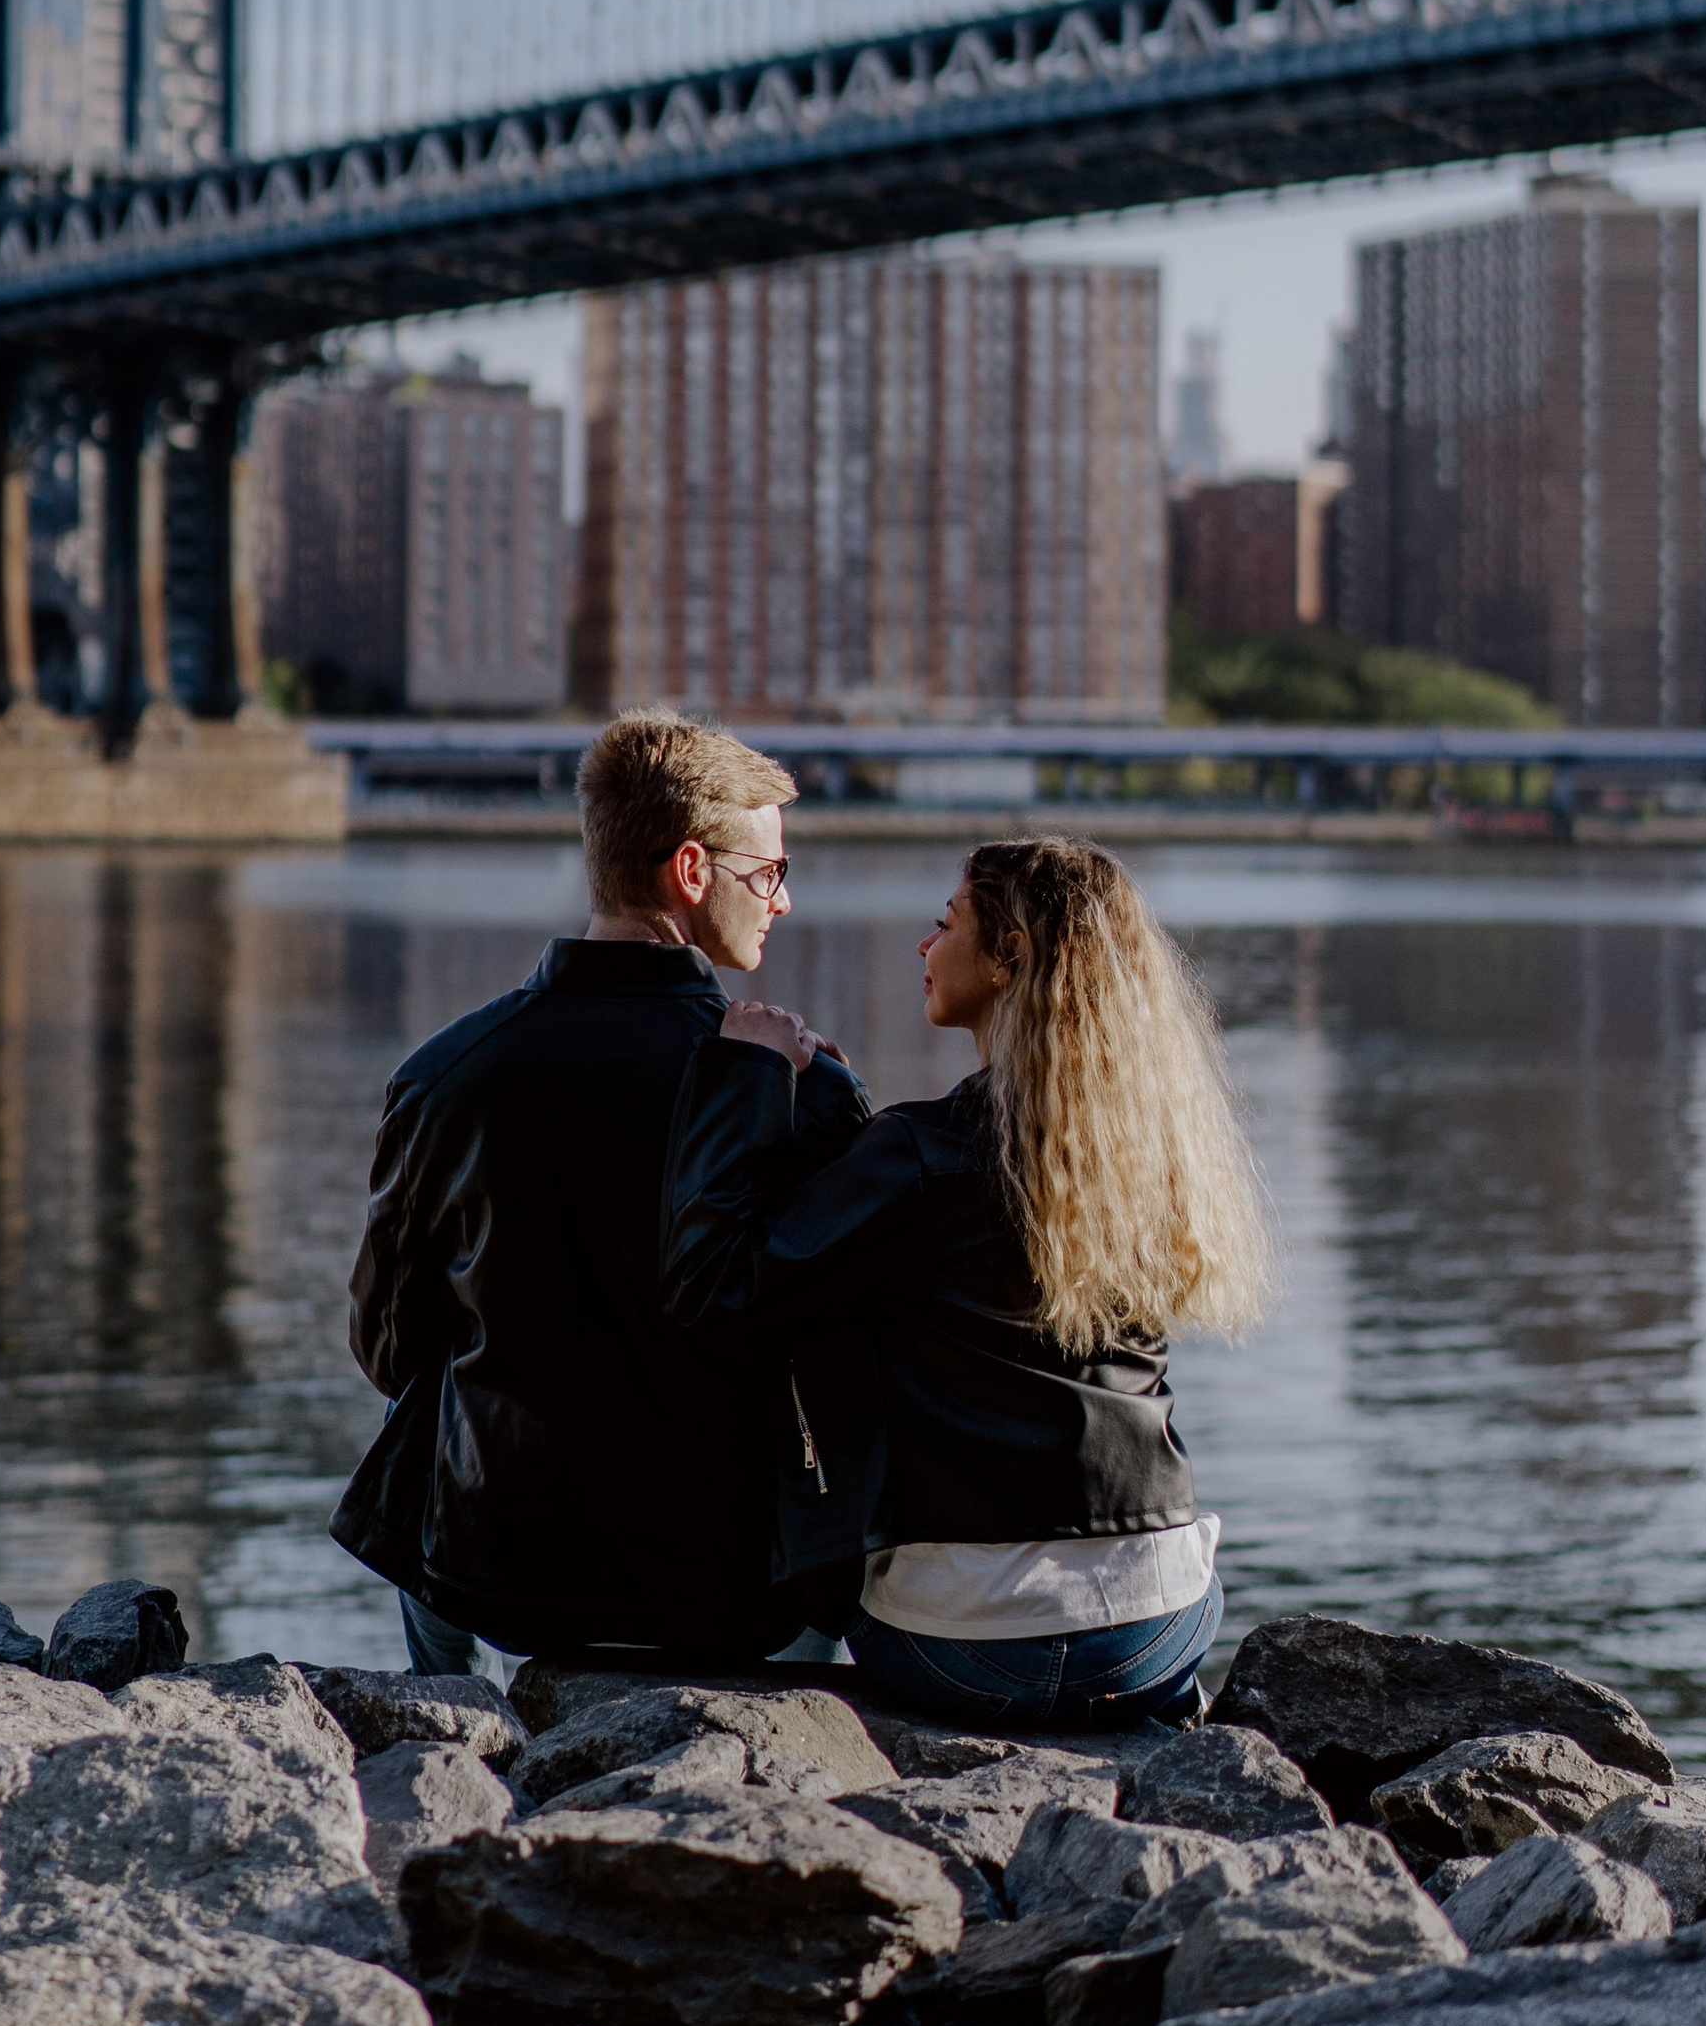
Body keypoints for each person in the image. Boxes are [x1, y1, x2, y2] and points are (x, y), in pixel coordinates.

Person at [661, 835, 1271, 1729]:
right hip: (1155, 1627)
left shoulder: (920, 1155)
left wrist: (752, 1073)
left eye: (947, 923)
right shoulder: (1150, 1161)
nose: (925, 943)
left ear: (1006, 956)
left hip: (965, 1641)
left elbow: (716, 1285)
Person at [332, 710, 866, 1671]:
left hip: (510, 1585)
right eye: (769, 873)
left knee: (423, 1420)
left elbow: (391, 1351)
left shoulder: (445, 1077)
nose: (782, 900)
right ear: (691, 871)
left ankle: (449, 1718)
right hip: (736, 1595)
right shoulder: (805, 1088)